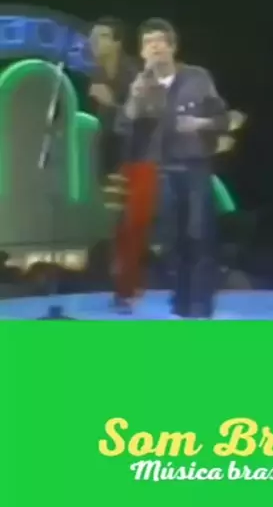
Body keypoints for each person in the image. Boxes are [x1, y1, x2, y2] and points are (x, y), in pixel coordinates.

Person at [116, 17, 230, 318]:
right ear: (142, 52)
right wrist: (136, 96)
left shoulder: (197, 77)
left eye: (160, 41)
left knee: (199, 236)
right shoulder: (141, 85)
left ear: (172, 47)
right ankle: (181, 304)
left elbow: (222, 118)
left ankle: (200, 306)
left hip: (194, 167)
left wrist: (199, 124)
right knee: (171, 241)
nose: (154, 47)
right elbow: (124, 125)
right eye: (148, 43)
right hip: (161, 169)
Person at [88, 17, 138, 309]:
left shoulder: (133, 74)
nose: (94, 42)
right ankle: (117, 289)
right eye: (93, 37)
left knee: (125, 222)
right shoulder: (98, 73)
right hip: (108, 154)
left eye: (102, 36)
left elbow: (140, 120)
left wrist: (111, 104)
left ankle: (127, 289)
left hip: (130, 156)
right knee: (112, 222)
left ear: (117, 42)